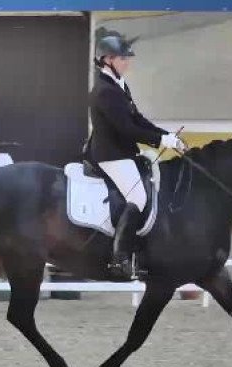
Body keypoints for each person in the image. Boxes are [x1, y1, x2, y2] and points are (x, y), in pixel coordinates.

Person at [89, 32, 186, 278]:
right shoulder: (105, 91)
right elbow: (126, 128)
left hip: (124, 152)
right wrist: (160, 140)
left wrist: (167, 136)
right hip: (111, 155)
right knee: (139, 198)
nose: (128, 62)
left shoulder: (119, 84)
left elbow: (137, 119)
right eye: (123, 58)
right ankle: (119, 259)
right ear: (108, 59)